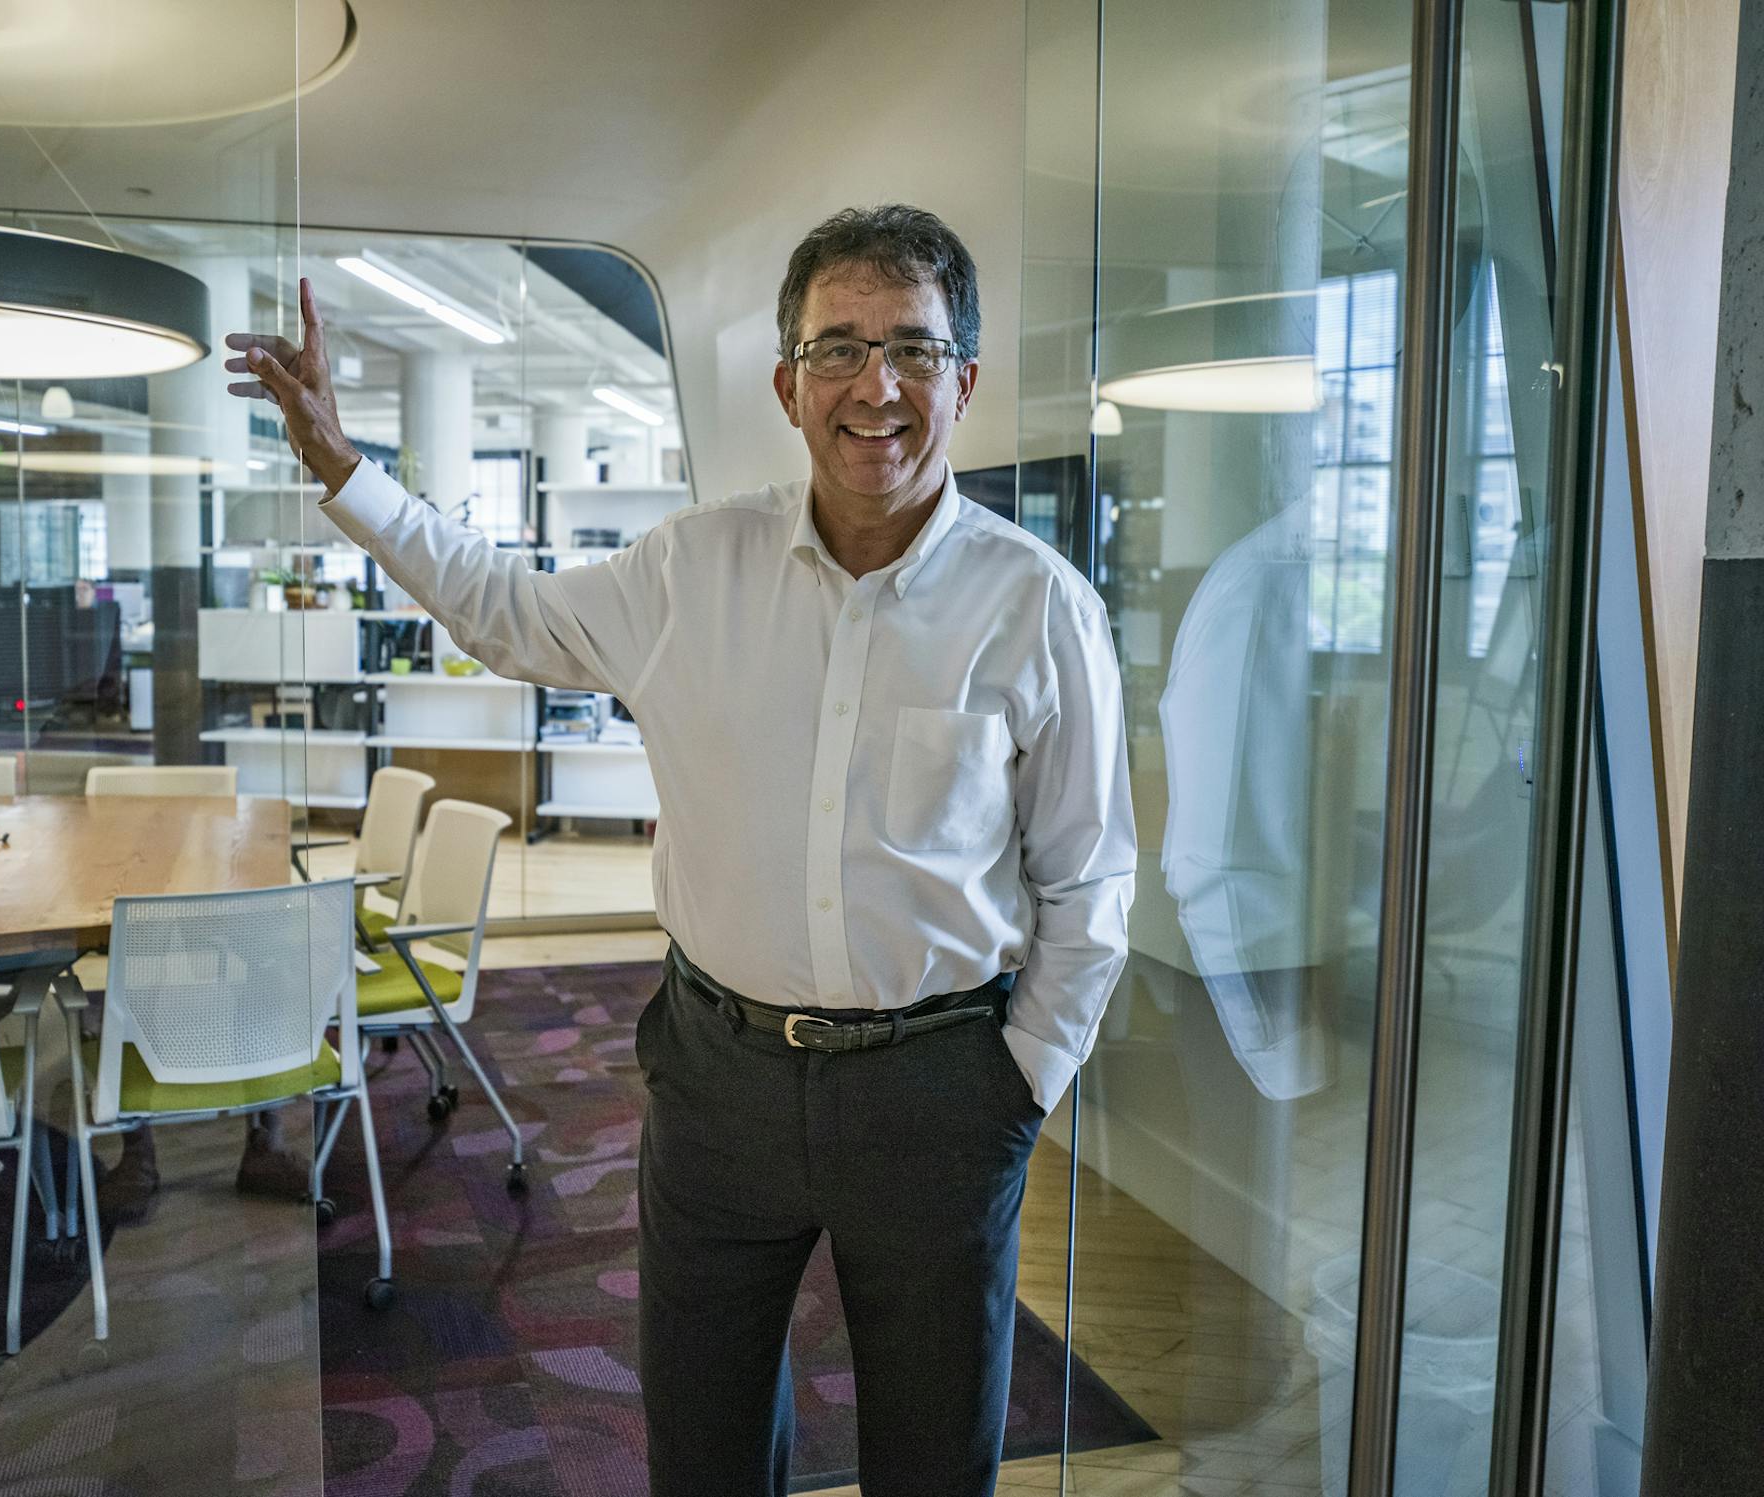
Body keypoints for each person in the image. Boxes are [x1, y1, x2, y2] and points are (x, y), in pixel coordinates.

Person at [229, 204, 1135, 1497]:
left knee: (936, 1462)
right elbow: (505, 610)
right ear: (785, 383)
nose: (876, 386)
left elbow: (1089, 879)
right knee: (703, 1452)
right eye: (839, 348)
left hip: (938, 1095)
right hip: (720, 1085)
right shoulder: (689, 573)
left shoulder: (1038, 605)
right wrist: (343, 469)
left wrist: (1019, 1085)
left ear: (965, 381)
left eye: (915, 351)